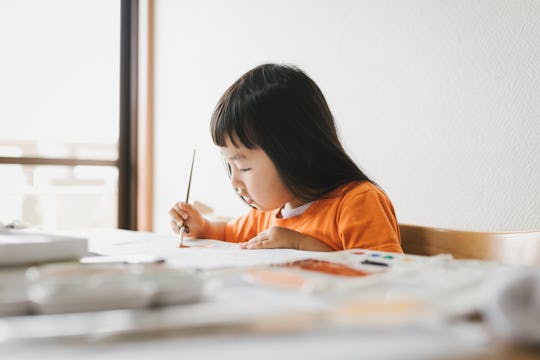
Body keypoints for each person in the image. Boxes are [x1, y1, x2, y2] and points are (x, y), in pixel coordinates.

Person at [169, 63, 401, 253]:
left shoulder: (357, 203)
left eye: (243, 166)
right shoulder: (268, 214)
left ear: (297, 153)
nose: (234, 182)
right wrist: (201, 227)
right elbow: (226, 234)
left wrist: (300, 244)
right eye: (230, 166)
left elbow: (384, 275)